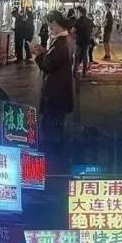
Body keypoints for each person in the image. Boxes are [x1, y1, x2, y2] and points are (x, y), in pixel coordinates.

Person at [33, 11, 74, 149]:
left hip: (55, 92)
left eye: (50, 25)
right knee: (56, 126)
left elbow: (48, 66)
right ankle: (55, 150)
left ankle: (52, 153)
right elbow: (55, 59)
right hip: (61, 90)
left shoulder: (60, 43)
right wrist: (45, 52)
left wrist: (38, 55)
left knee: (51, 128)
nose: (49, 29)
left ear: (55, 23)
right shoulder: (65, 39)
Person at [73, 6, 93, 76]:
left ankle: (75, 71)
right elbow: (94, 30)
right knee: (85, 56)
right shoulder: (89, 21)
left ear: (80, 12)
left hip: (79, 41)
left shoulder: (78, 21)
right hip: (86, 41)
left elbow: (73, 30)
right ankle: (84, 72)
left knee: (77, 56)